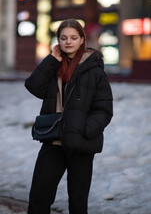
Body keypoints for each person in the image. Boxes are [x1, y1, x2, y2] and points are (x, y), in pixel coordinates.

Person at [25, 19, 113, 214]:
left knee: (78, 202)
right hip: (53, 140)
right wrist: (50, 60)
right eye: (63, 38)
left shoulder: (95, 71)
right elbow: (33, 86)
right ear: (58, 41)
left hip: (81, 144)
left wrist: (83, 130)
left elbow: (104, 110)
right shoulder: (53, 66)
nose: (68, 42)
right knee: (39, 196)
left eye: (74, 37)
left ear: (82, 40)